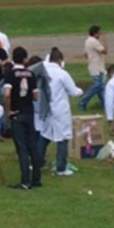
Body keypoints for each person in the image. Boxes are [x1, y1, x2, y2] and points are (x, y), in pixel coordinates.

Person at [36, 47, 83, 177]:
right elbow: (73, 91)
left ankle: (37, 163)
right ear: (59, 60)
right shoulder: (63, 74)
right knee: (62, 138)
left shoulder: (43, 72)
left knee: (44, 136)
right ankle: (61, 167)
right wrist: (80, 91)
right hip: (60, 110)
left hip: (46, 108)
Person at [4, 46, 42, 190]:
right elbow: (36, 95)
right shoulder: (31, 74)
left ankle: (25, 181)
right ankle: (36, 179)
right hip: (29, 112)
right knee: (32, 145)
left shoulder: (10, 74)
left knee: (22, 148)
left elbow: (7, 94)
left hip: (17, 113)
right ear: (25, 59)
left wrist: (8, 110)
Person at [78, 25, 107, 111]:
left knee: (101, 88)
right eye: (99, 33)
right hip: (97, 68)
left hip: (93, 66)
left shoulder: (87, 41)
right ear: (95, 33)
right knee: (97, 86)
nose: (100, 35)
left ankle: (105, 104)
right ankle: (83, 102)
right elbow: (105, 51)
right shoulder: (94, 41)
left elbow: (86, 54)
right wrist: (105, 41)